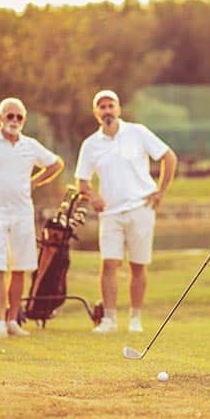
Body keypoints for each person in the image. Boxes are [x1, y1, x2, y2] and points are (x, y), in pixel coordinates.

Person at [75, 89, 177, 334]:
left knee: (138, 265)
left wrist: (161, 191)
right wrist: (93, 196)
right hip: (110, 213)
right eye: (102, 107)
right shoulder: (90, 145)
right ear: (96, 112)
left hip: (141, 208)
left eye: (110, 106)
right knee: (109, 263)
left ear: (118, 109)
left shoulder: (138, 132)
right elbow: (82, 181)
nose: (107, 111)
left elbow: (169, 157)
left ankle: (135, 319)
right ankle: (109, 320)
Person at [0, 97, 64, 340]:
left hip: (22, 213)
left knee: (19, 268)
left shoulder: (30, 145)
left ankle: (12, 321)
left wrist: (35, 181)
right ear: (0, 118)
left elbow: (56, 164)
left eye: (19, 117)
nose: (15, 121)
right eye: (10, 116)